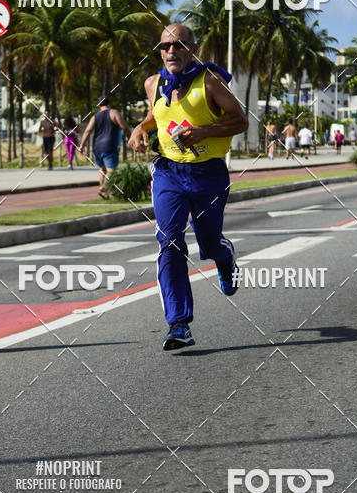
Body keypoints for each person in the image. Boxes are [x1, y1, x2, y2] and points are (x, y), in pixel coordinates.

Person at [128, 23, 248, 351]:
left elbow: (241, 121)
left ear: (192, 49)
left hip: (208, 174)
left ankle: (224, 257)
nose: (171, 52)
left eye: (178, 46)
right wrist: (140, 127)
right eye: (165, 46)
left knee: (208, 244)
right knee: (170, 242)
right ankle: (178, 324)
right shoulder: (153, 83)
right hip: (169, 172)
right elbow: (157, 116)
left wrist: (204, 131)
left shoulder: (209, 81)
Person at [79, 96, 131, 198]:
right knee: (111, 170)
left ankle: (102, 190)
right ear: (109, 103)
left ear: (99, 105)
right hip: (109, 146)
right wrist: (130, 138)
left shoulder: (95, 116)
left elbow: (88, 131)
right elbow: (124, 126)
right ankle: (108, 190)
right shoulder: (114, 113)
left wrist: (82, 145)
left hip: (97, 147)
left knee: (102, 169)